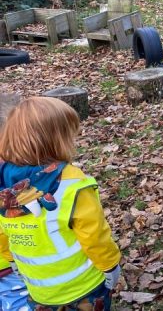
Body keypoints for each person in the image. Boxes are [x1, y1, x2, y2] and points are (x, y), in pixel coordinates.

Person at [0, 97, 121, 310]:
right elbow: (94, 234)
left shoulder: (3, 184)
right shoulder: (72, 182)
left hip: (39, 291)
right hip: (84, 286)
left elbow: (2, 233)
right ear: (57, 140)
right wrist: (110, 266)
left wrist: (10, 260)